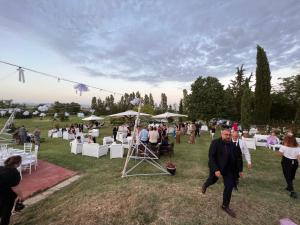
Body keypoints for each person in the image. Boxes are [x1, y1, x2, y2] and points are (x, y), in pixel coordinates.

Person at [202, 129, 243, 218]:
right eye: (226, 134)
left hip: (228, 169)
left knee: (229, 186)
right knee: (212, 180)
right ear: (221, 134)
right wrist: (216, 169)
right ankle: (205, 185)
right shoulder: (215, 143)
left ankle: (225, 206)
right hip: (217, 167)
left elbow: (239, 158)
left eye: (229, 135)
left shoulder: (233, 145)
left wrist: (240, 170)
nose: (228, 136)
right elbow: (211, 157)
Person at [0, 155, 24, 225]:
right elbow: (15, 187)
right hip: (7, 197)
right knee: (6, 214)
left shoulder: (1, 168)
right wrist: (21, 196)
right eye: (20, 162)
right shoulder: (14, 173)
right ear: (17, 163)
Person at [277, 133, 300, 198]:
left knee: (287, 175)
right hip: (295, 163)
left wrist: (282, 150)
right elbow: (298, 157)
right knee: (291, 175)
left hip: (286, 161)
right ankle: (288, 187)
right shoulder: (298, 148)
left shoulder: (284, 147)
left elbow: (279, 154)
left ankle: (292, 190)